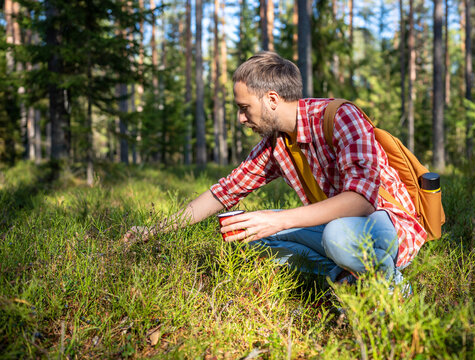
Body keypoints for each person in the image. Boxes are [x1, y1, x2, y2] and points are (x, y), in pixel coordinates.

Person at [123, 51, 427, 285]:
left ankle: (391, 289)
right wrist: (154, 229)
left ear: (271, 99)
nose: (241, 118)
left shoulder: (341, 117)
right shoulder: (276, 143)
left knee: (336, 235)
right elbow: (224, 192)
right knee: (247, 237)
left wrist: (278, 220)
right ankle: (344, 278)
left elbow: (362, 201)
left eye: (244, 108)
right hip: (337, 229)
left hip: (386, 226)